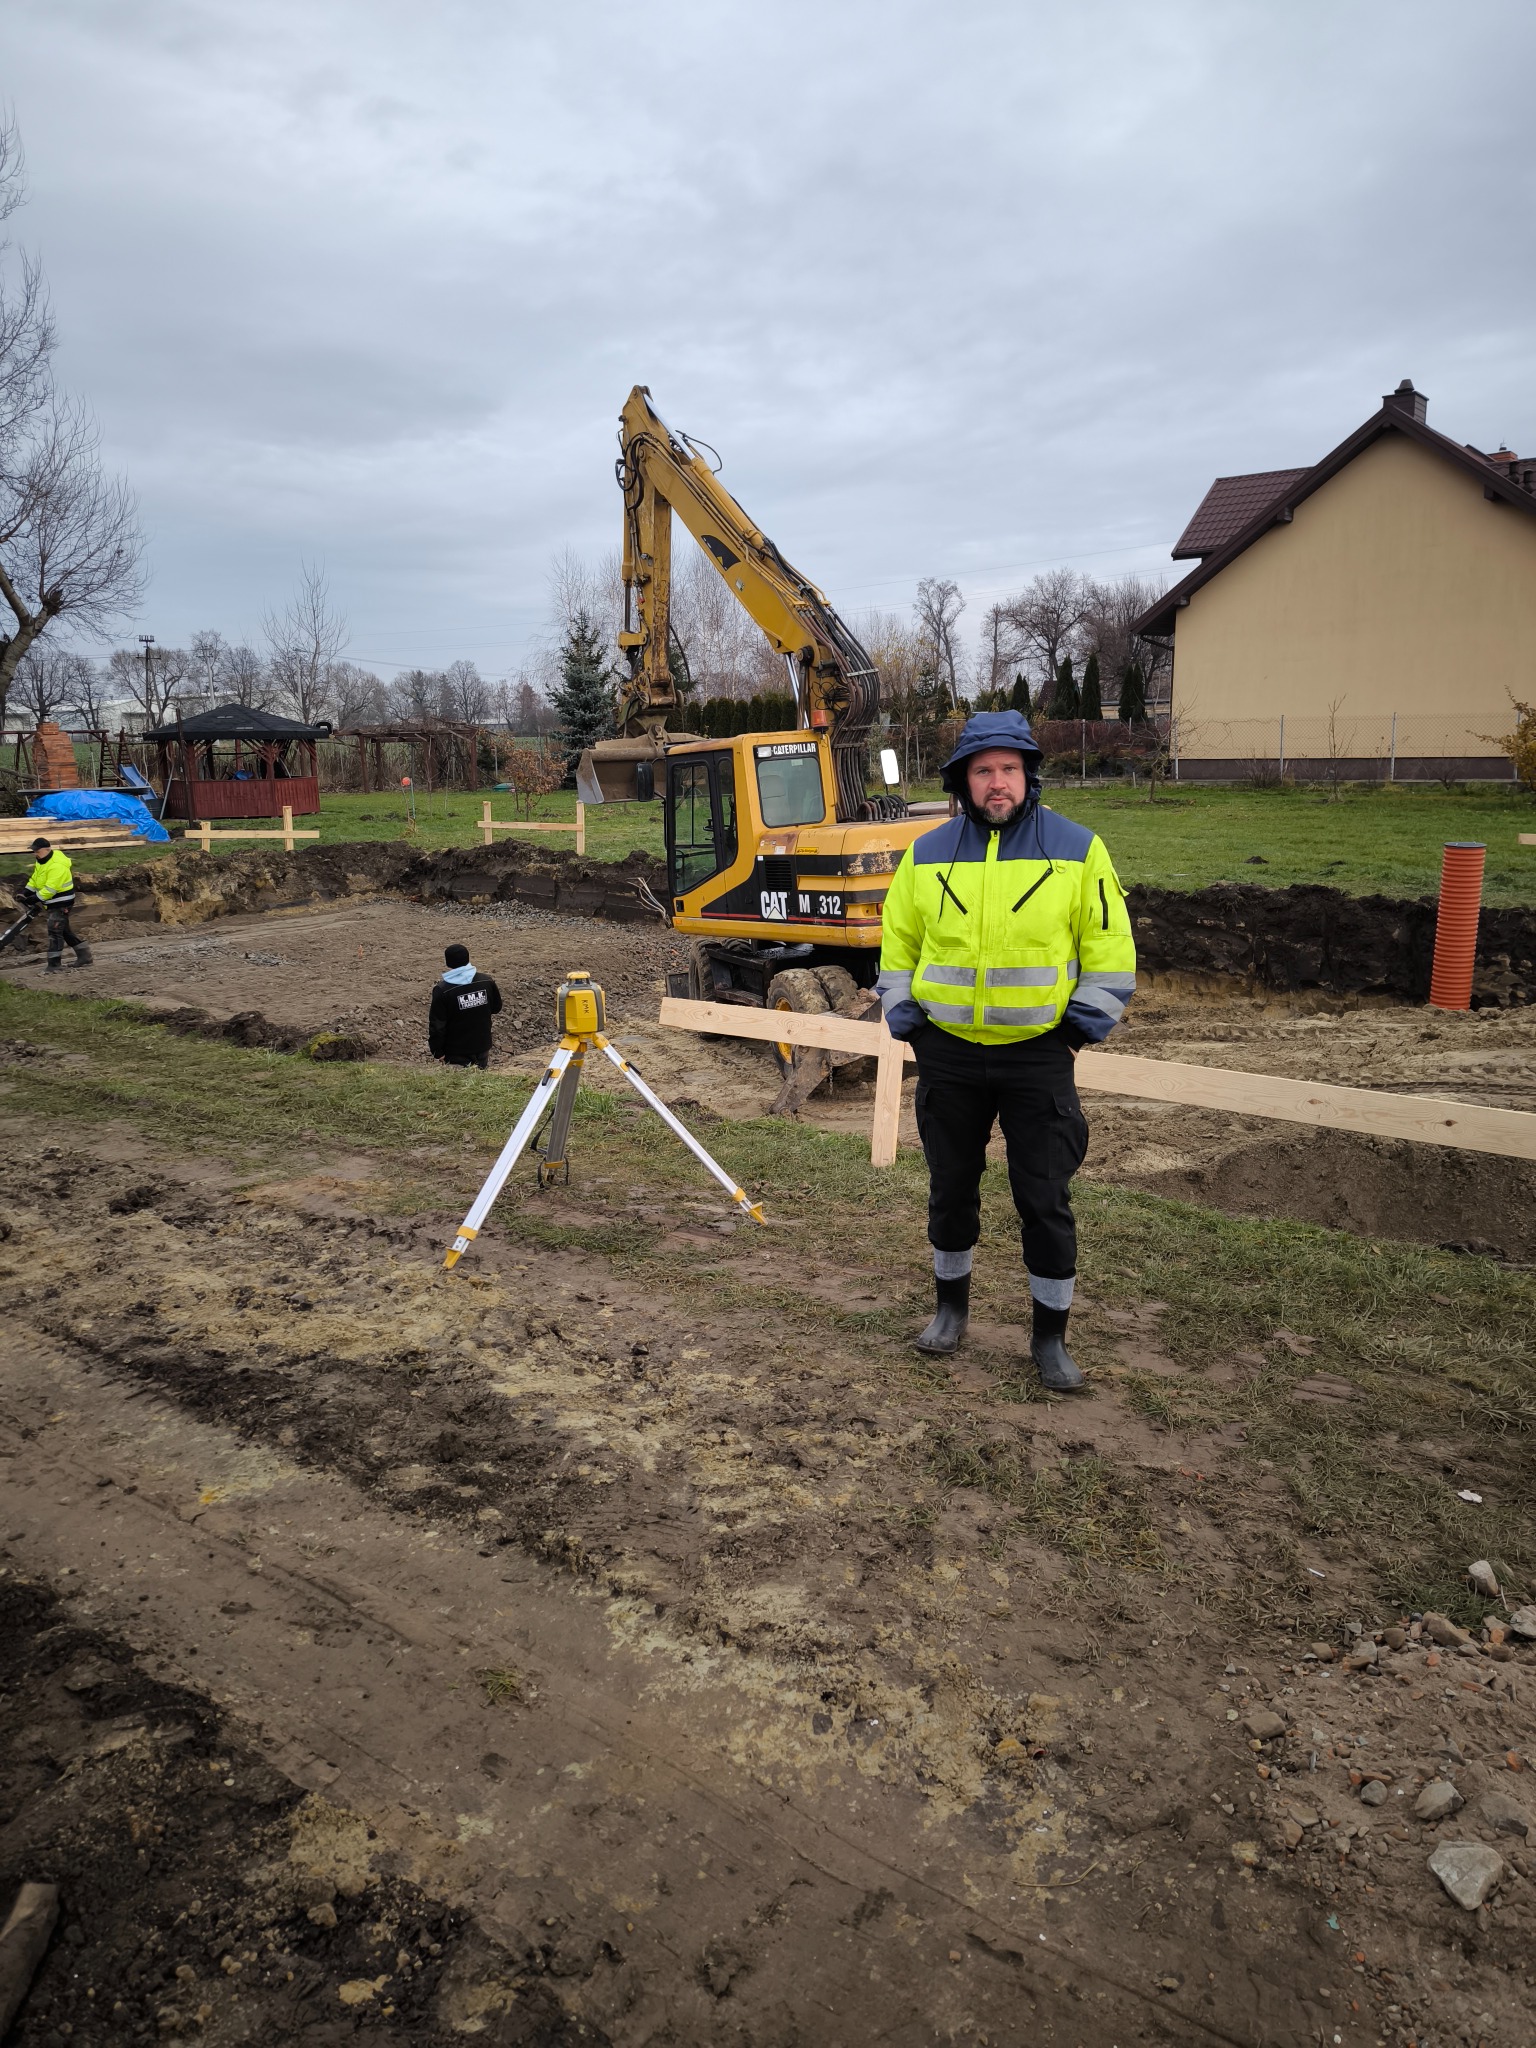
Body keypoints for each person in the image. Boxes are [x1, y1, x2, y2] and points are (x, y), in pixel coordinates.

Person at [876, 710, 1135, 1393]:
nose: (998, 783)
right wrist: (908, 1018)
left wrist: (1074, 1032)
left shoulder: (1079, 850)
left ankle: (1050, 1342)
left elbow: (1111, 955)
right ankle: (949, 1313)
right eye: (984, 770)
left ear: (1029, 777)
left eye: (1009, 770)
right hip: (949, 1056)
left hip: (1038, 1058)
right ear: (963, 780)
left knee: (1043, 1199)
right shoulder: (927, 854)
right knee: (950, 1190)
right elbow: (897, 943)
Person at [19, 836, 92, 973]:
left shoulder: (57, 865)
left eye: (37, 851)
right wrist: (26, 892)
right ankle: (85, 957)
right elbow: (35, 879)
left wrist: (34, 898)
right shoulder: (42, 862)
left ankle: (54, 965)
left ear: (47, 849)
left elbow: (51, 889)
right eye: (34, 851)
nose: (35, 854)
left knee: (54, 931)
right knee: (64, 931)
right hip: (52, 903)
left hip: (61, 902)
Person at [428, 942, 502, 1068]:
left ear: (448, 962)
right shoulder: (486, 981)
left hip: (455, 1052)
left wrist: (437, 1051)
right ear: (468, 958)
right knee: (481, 1082)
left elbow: (437, 1025)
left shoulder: (442, 990)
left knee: (459, 1086)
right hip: (482, 1046)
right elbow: (496, 1008)